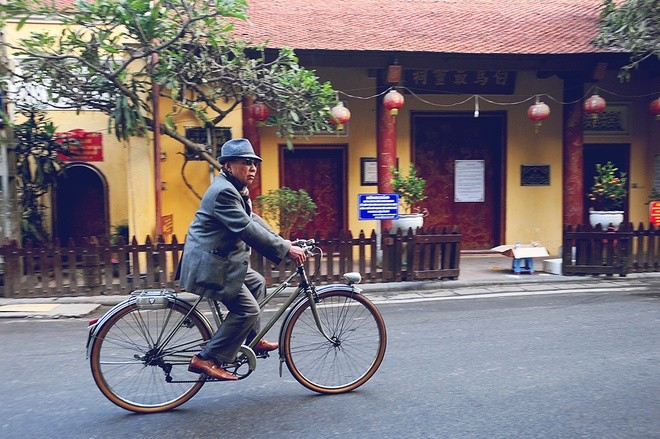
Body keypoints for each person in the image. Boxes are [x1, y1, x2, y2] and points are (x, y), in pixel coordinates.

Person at [178, 138, 307, 381]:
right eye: (246, 163)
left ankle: (251, 340)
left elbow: (253, 220)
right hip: (211, 265)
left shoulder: (236, 189)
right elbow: (246, 228)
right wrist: (285, 250)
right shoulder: (224, 193)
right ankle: (206, 358)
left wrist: (283, 242)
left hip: (221, 261)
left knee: (257, 282)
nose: (253, 168)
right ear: (228, 166)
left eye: (254, 163)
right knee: (247, 310)